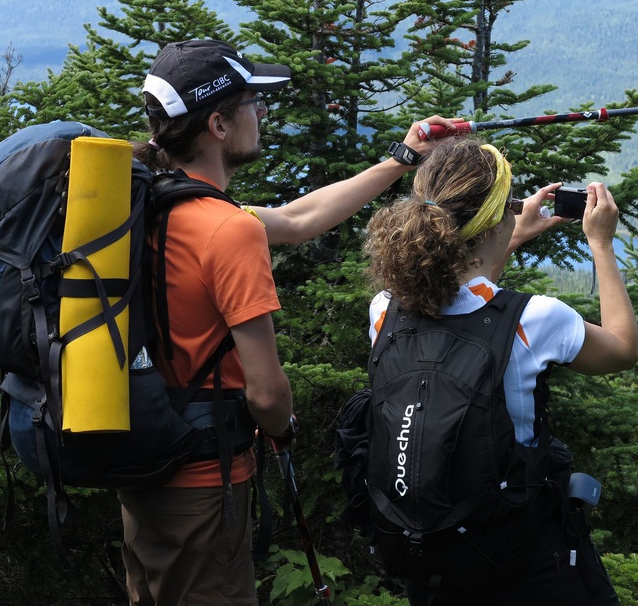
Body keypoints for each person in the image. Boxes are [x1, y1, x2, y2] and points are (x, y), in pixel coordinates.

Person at [123, 38, 457, 605]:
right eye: (253, 101)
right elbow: (267, 391)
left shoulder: (152, 204)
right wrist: (281, 430)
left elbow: (301, 218)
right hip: (204, 483)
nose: (263, 112)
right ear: (219, 124)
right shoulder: (227, 230)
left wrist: (404, 158)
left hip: (143, 469)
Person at [363, 137, 638, 606]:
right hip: (517, 557)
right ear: (495, 223)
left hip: (428, 555)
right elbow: (621, 349)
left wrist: (510, 231)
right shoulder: (537, 319)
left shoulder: (385, 309)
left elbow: (456, 286)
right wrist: (601, 243)